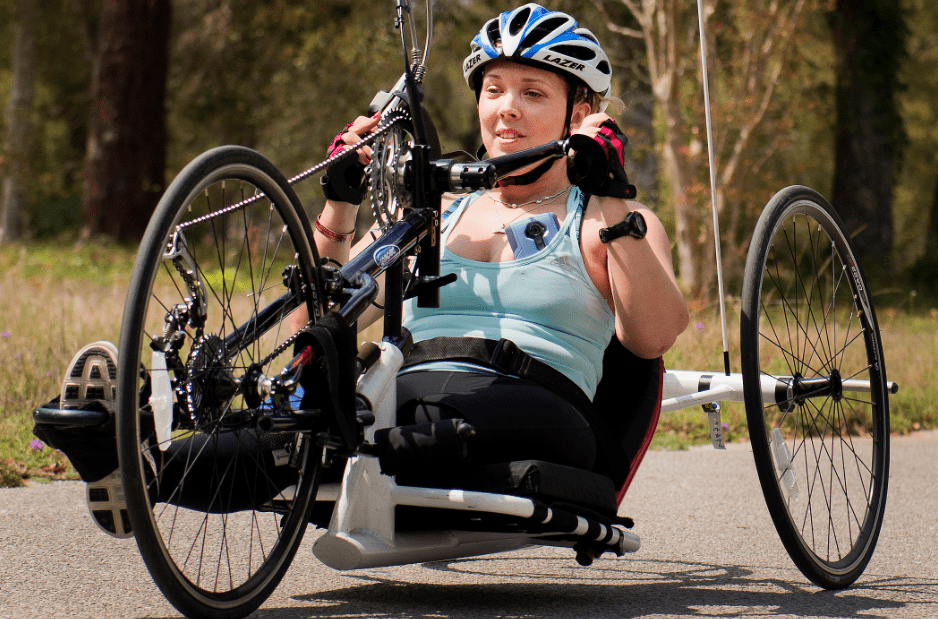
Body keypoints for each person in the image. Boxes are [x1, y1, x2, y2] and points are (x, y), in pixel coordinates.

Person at [315, 4, 688, 483]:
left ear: (578, 116)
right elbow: (318, 324)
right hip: (405, 395)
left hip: (537, 405)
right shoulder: (436, 212)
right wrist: (340, 201)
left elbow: (653, 337)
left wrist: (610, 196)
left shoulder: (609, 220)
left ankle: (361, 453)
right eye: (494, 90)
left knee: (425, 431)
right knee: (279, 426)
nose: (506, 107)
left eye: (532, 93)